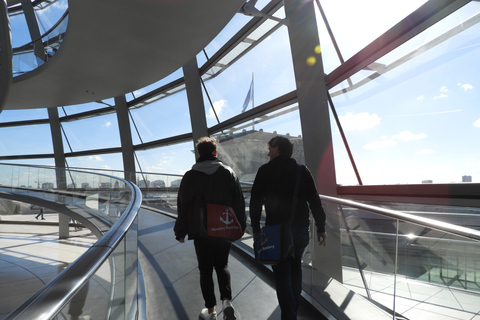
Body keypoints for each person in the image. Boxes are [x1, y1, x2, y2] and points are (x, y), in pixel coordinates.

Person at [250, 136, 327, 320]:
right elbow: (315, 201)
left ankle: (289, 315)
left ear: (277, 149)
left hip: (276, 232)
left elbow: (255, 202)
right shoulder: (302, 171)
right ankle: (293, 309)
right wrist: (321, 227)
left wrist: (255, 228)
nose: (268, 153)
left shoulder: (265, 171)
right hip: (300, 230)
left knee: (282, 274)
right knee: (296, 269)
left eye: (269, 148)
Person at [174, 137, 246, 320]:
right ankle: (227, 301)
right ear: (215, 153)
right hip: (224, 228)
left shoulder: (190, 176)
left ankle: (212, 310)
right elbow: (239, 202)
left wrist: (180, 231)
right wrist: (240, 226)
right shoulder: (228, 173)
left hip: (201, 231)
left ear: (199, 154)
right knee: (222, 265)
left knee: (205, 270)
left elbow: (183, 206)